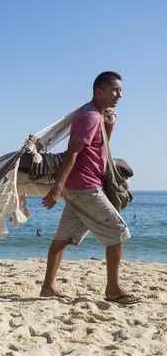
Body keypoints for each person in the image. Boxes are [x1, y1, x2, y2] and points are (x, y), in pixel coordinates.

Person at [39, 71, 139, 304]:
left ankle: (48, 287)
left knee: (62, 237)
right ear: (99, 91)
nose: (120, 95)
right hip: (85, 187)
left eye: (121, 90)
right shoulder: (90, 116)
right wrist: (56, 188)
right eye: (115, 90)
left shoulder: (95, 115)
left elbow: (96, 150)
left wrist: (110, 127)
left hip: (79, 187)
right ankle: (113, 289)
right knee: (118, 231)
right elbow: (72, 153)